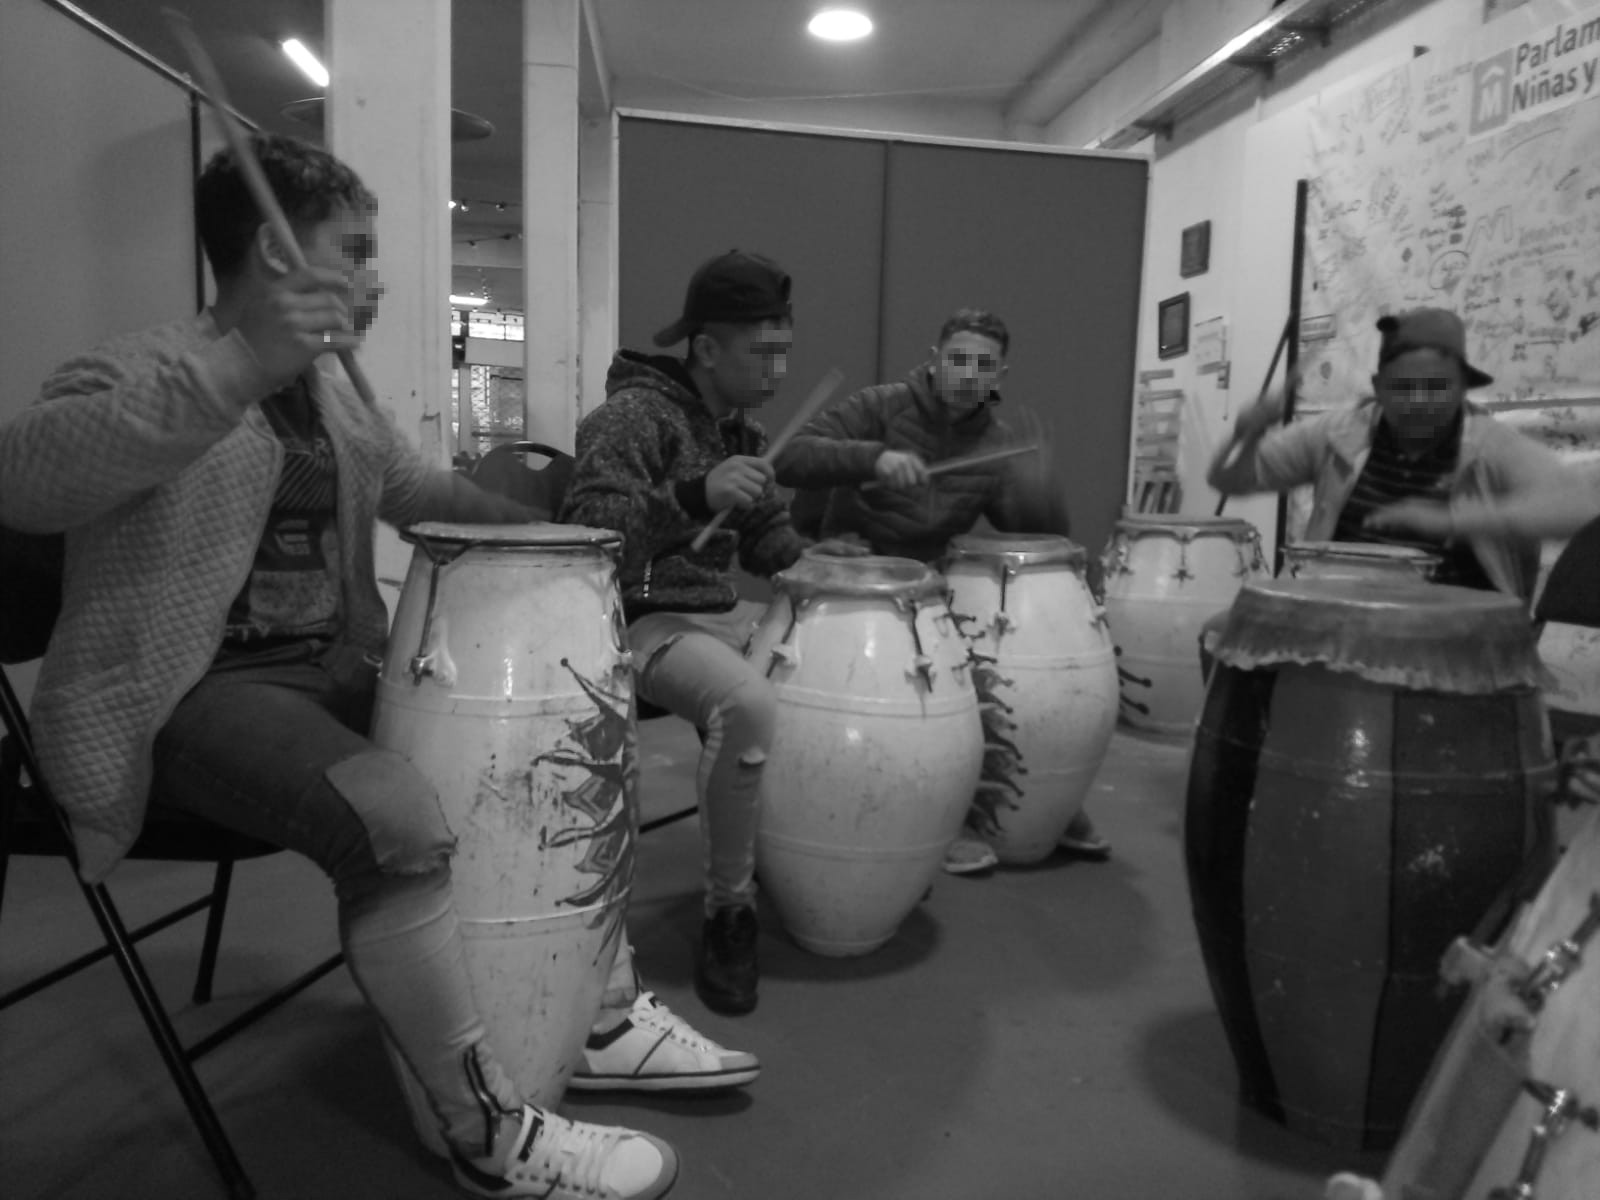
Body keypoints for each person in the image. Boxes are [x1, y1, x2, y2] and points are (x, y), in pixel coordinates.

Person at [0, 133, 677, 1200]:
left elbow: (423, 494)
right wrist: (233, 367)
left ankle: (602, 1012)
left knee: (558, 737)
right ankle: (485, 1136)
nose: (374, 275)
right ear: (276, 251)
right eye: (353, 249)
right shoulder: (133, 366)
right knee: (394, 817)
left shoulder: (333, 391)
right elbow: (23, 484)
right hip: (185, 695)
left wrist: (564, 543)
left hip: (329, 668)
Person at [559, 249, 862, 1017]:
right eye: (763, 351)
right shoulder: (629, 417)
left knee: (840, 665)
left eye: (784, 350)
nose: (779, 368)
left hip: (717, 611)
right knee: (749, 706)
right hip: (636, 617)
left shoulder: (742, 432)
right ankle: (731, 909)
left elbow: (764, 542)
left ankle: (821, 862)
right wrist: (695, 492)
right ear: (705, 348)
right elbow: (592, 536)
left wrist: (814, 563)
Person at [770, 308, 1107, 876]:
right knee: (925, 698)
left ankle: (1022, 798)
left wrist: (1040, 490)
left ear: (1000, 374)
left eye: (983, 364)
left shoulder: (995, 442)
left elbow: (1031, 528)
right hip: (852, 575)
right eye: (958, 359)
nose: (968, 374)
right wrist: (873, 456)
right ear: (934, 360)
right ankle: (938, 819)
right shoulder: (880, 406)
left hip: (930, 585)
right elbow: (792, 459)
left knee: (1008, 673)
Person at [1207, 307, 1564, 603]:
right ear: (1378, 388)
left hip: (1455, 636)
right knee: (1227, 633)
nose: (1419, 402)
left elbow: (1576, 505)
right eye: (1403, 388)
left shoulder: (1490, 444)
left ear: (1462, 388)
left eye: (1437, 387)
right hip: (1340, 613)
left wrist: (1455, 522)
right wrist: (1249, 435)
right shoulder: (1341, 432)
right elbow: (1230, 481)